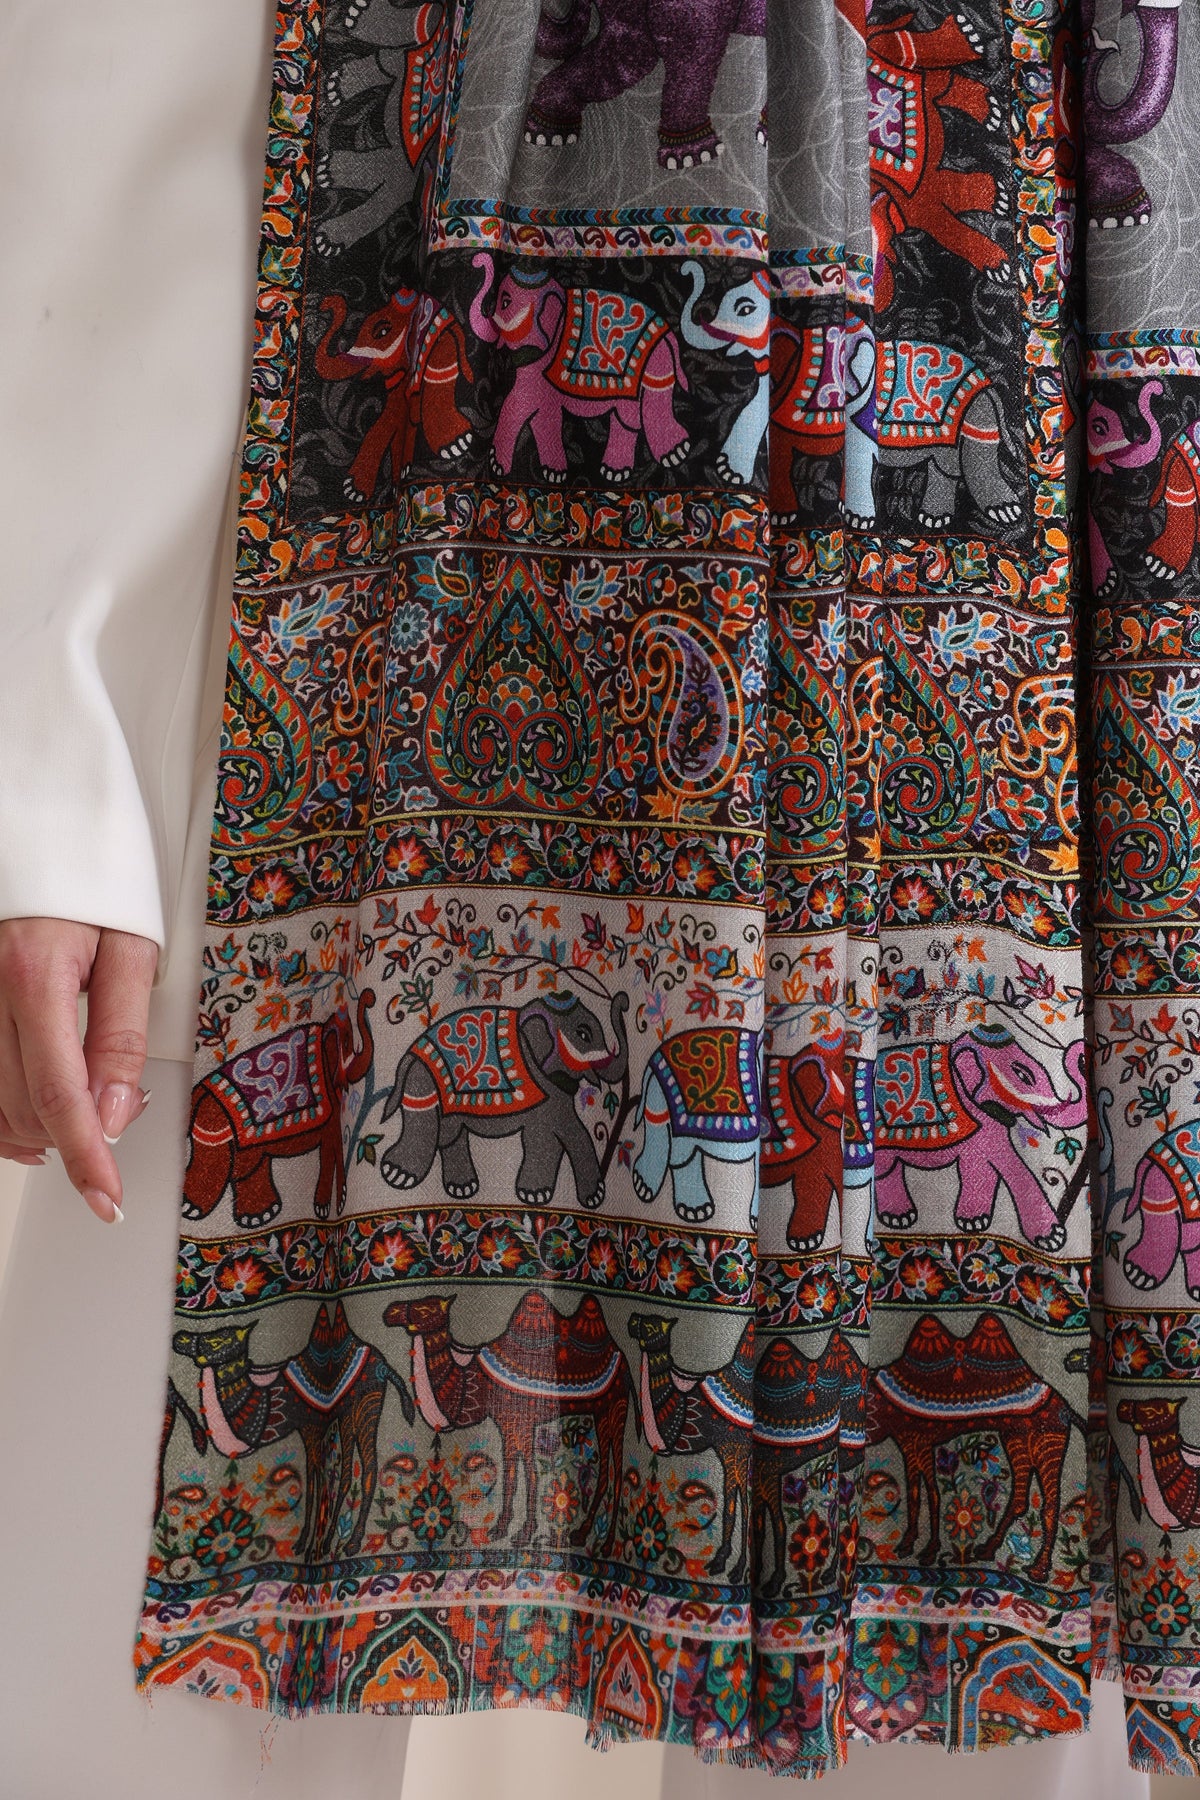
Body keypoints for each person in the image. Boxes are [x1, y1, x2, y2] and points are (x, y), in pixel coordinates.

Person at [0, 0, 1193, 1793]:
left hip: (1024, 550)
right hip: (377, 566)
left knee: (960, 1691)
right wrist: (50, 714)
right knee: (156, 1690)